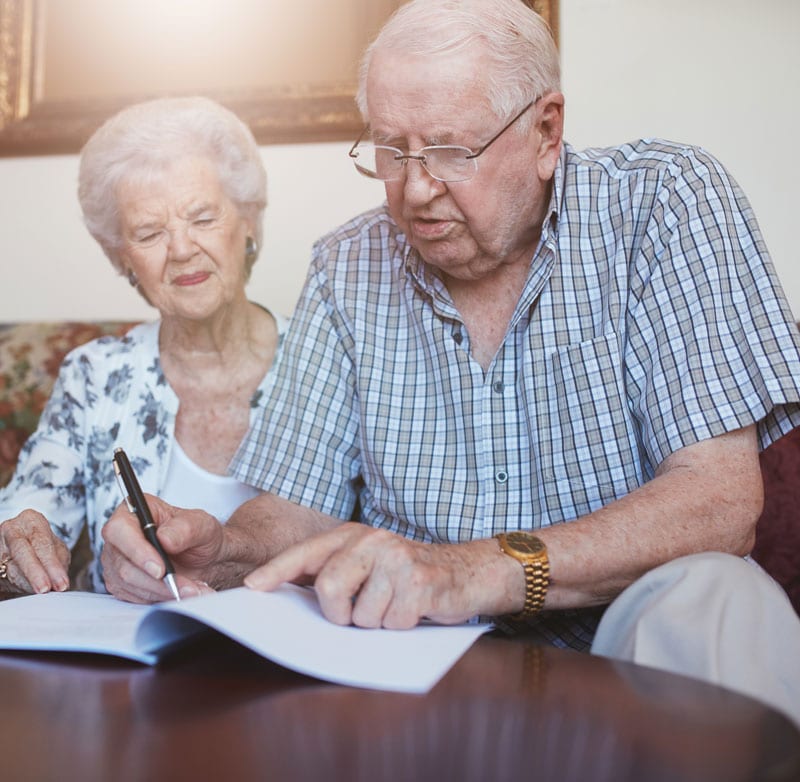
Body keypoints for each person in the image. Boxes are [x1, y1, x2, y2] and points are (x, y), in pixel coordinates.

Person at [100, 0, 800, 724]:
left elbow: (718, 504)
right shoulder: (347, 265)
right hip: (419, 667)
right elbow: (296, 510)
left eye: (448, 150)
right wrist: (219, 549)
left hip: (630, 647)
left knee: (716, 594)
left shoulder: (662, 203)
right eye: (391, 151)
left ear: (546, 131)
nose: (415, 189)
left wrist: (473, 571)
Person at [0, 96, 286, 595]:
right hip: (135, 660)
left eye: (202, 217)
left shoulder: (328, 356)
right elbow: (30, 511)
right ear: (124, 259)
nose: (180, 249)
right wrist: (21, 545)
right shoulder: (95, 374)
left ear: (248, 224)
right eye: (149, 232)